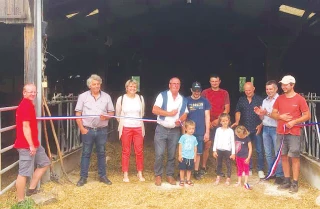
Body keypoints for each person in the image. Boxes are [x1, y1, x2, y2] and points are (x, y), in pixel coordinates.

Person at [270, 75, 310, 193]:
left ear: (292, 85)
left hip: (294, 132)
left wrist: (294, 122)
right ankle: (287, 180)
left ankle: (295, 182)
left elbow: (307, 116)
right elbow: (273, 114)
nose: (283, 86)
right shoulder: (279, 98)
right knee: (283, 156)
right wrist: (280, 116)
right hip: (281, 132)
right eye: (282, 84)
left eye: (286, 84)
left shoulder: (300, 99)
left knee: (294, 157)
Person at [75, 74, 115, 186]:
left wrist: (106, 116)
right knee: (86, 153)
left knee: (101, 153)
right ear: (89, 86)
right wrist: (82, 128)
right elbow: (78, 114)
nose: (97, 86)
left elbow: (111, 113)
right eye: (94, 84)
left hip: (102, 130)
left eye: (98, 84)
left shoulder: (107, 97)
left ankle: (102, 176)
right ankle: (83, 177)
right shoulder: (83, 97)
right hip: (87, 130)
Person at [14, 84, 50, 203]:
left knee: (45, 163)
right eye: (30, 92)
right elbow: (25, 127)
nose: (33, 94)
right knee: (23, 173)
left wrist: (34, 144)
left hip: (34, 143)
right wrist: (30, 145)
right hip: (26, 145)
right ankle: (20, 201)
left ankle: (31, 189)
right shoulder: (24, 106)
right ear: (24, 93)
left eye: (34, 92)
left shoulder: (30, 104)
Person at [152, 77, 188, 186]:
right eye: (173, 83)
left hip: (174, 130)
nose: (175, 85)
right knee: (159, 154)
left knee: (172, 154)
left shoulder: (182, 99)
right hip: (161, 129)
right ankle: (158, 175)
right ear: (169, 85)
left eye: (178, 84)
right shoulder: (162, 95)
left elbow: (185, 114)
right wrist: (169, 114)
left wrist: (180, 120)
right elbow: (154, 110)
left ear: (180, 86)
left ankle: (169, 175)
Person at [231, 82, 265, 178]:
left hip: (257, 128)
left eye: (249, 90)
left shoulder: (260, 100)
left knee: (259, 149)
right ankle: (248, 168)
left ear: (254, 88)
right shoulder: (241, 100)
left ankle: (260, 169)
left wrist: (261, 125)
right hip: (245, 130)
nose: (248, 92)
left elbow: (264, 114)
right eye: (246, 90)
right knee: (245, 150)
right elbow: (237, 111)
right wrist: (237, 121)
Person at [254, 80, 284, 184]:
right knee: (268, 153)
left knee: (277, 152)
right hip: (266, 128)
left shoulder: (280, 100)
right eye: (267, 89)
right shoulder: (265, 101)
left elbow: (279, 116)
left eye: (271, 89)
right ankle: (272, 173)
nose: (268, 91)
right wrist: (259, 113)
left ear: (276, 89)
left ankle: (280, 175)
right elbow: (263, 117)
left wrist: (266, 113)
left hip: (276, 128)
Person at [116, 79, 145, 182]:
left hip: (138, 127)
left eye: (134, 87)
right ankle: (125, 173)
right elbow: (118, 114)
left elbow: (142, 113)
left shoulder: (140, 98)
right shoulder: (121, 99)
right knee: (126, 150)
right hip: (126, 127)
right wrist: (123, 123)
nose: (133, 88)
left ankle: (140, 172)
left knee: (139, 151)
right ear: (126, 88)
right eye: (130, 86)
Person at [201, 74, 230, 176]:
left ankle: (219, 169)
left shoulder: (224, 93)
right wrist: (207, 122)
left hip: (220, 123)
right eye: (212, 81)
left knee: (219, 146)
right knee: (207, 144)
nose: (214, 83)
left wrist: (219, 120)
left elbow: (227, 109)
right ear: (210, 82)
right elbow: (202, 107)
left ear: (219, 81)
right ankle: (203, 167)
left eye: (216, 81)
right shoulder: (205, 92)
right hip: (207, 122)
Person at [186, 82, 211, 180]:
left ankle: (196, 171)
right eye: (195, 90)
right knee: (187, 150)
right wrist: (184, 131)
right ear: (191, 90)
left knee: (198, 152)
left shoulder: (205, 101)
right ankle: (187, 169)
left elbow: (207, 117)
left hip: (200, 131)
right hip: (188, 131)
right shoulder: (186, 100)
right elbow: (184, 116)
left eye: (198, 91)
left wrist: (207, 132)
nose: (197, 92)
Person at [212, 113, 235, 186]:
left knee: (228, 164)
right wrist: (214, 150)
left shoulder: (230, 131)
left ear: (229, 121)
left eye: (226, 120)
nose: (225, 122)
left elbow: (232, 142)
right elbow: (215, 140)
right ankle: (218, 177)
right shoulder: (218, 130)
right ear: (220, 122)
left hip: (227, 150)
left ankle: (228, 178)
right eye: (223, 121)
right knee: (218, 164)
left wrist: (233, 153)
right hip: (219, 149)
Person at [178, 120, 198, 186]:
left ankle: (188, 179)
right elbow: (180, 146)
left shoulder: (194, 138)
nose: (191, 130)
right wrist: (180, 155)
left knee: (189, 169)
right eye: (190, 129)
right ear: (186, 129)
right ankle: (182, 180)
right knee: (182, 169)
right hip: (184, 156)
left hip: (191, 157)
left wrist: (195, 156)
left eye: (193, 128)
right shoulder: (183, 137)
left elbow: (195, 148)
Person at [234, 125, 252, 189]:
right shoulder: (236, 137)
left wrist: (248, 157)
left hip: (245, 157)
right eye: (238, 135)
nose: (239, 136)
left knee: (246, 169)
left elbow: (250, 148)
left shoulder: (247, 138)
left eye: (240, 135)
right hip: (238, 157)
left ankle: (245, 182)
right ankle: (239, 182)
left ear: (244, 133)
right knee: (239, 169)